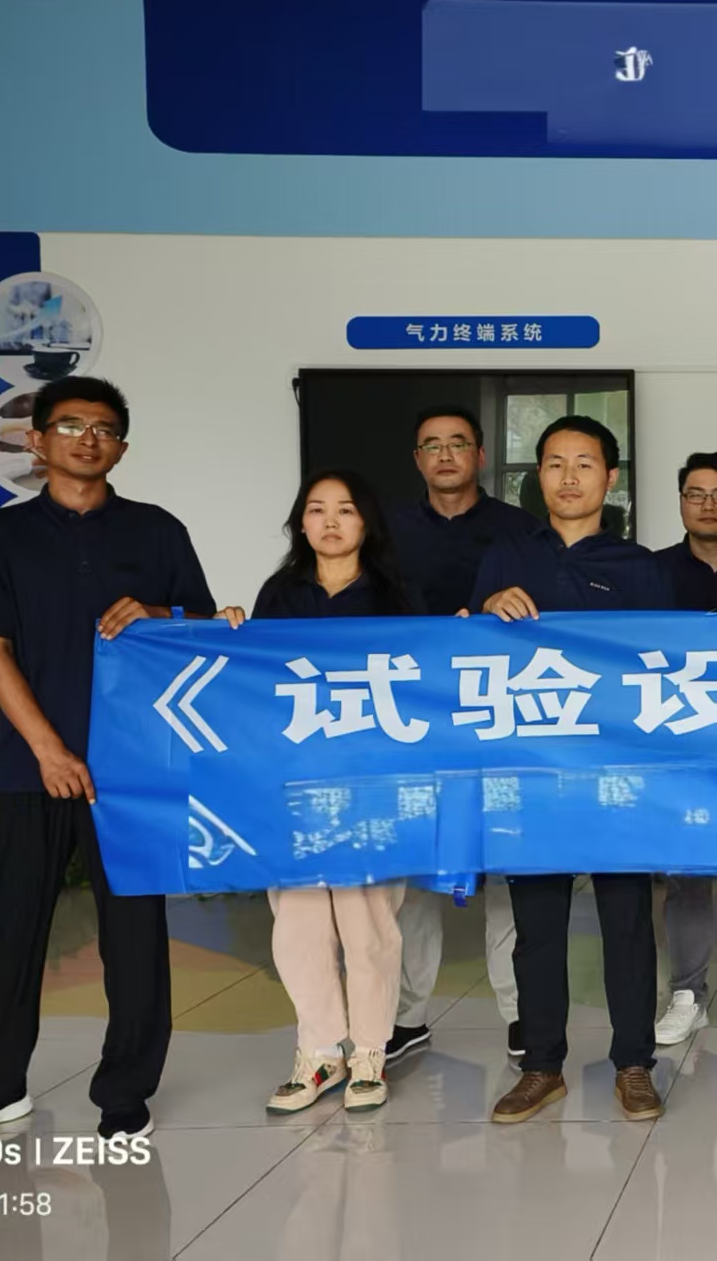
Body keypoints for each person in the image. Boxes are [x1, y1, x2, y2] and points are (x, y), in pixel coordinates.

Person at [0, 376, 219, 1145]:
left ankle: (125, 1090)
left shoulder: (157, 530)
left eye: (104, 428)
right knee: (15, 930)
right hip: (29, 766)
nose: (88, 439)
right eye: (70, 425)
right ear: (37, 439)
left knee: (135, 935)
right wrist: (49, 749)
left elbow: (201, 628)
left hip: (133, 768)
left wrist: (159, 612)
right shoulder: (0, 536)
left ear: (121, 446)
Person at [470, 415, 674, 1124]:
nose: (568, 477)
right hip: (532, 772)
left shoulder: (640, 567)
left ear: (609, 477)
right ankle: (542, 1065)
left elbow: (664, 668)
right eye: (555, 463)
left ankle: (634, 1063)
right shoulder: (504, 556)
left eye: (584, 463)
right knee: (537, 924)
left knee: (627, 921)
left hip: (616, 772)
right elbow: (467, 655)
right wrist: (484, 609)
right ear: (539, 475)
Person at [233, 471, 420, 1114]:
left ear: (367, 522)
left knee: (368, 924)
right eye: (317, 510)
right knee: (299, 923)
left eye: (345, 509)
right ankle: (318, 1052)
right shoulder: (280, 594)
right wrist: (230, 632)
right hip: (296, 786)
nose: (331, 521)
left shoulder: (396, 594)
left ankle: (369, 1051)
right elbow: (255, 683)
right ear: (301, 523)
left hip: (372, 786)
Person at [384, 407, 536, 1065]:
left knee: (507, 871)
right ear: (417, 459)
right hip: (413, 723)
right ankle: (405, 1017)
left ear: (479, 455)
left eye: (458, 444)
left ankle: (521, 1014)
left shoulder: (520, 531)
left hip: (499, 721)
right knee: (416, 875)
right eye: (432, 445)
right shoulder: (384, 531)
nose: (445, 455)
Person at [652, 452, 717, 1046]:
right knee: (686, 873)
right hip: (679, 738)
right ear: (681, 502)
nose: (709, 505)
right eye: (696, 494)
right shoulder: (653, 571)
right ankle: (687, 993)